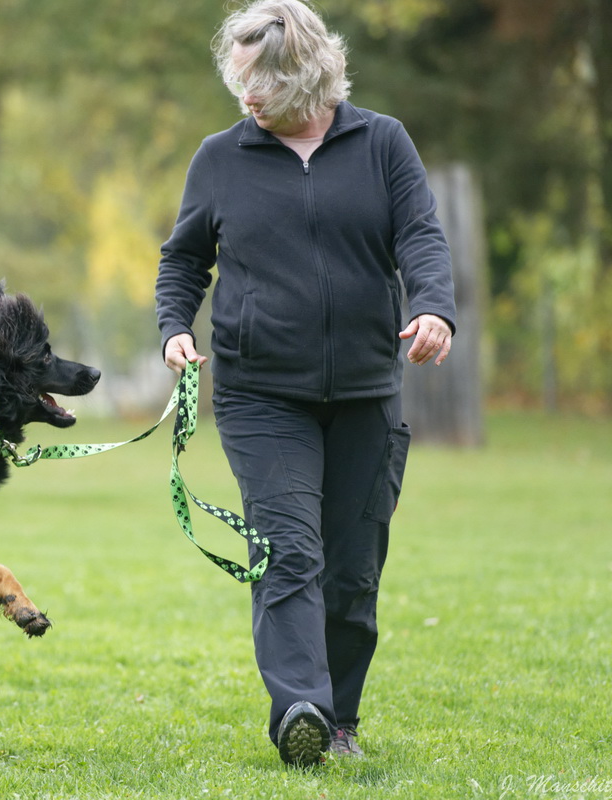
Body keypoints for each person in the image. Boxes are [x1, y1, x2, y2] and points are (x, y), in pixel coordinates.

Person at [154, 0, 456, 767]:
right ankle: (301, 711)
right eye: (238, 81)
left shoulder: (382, 143)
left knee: (352, 571)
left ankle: (341, 721)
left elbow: (420, 234)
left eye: (261, 82)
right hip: (261, 396)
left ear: (309, 73)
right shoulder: (220, 158)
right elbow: (184, 258)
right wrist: (176, 328)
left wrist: (434, 311)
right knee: (290, 552)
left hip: (365, 393)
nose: (246, 97)